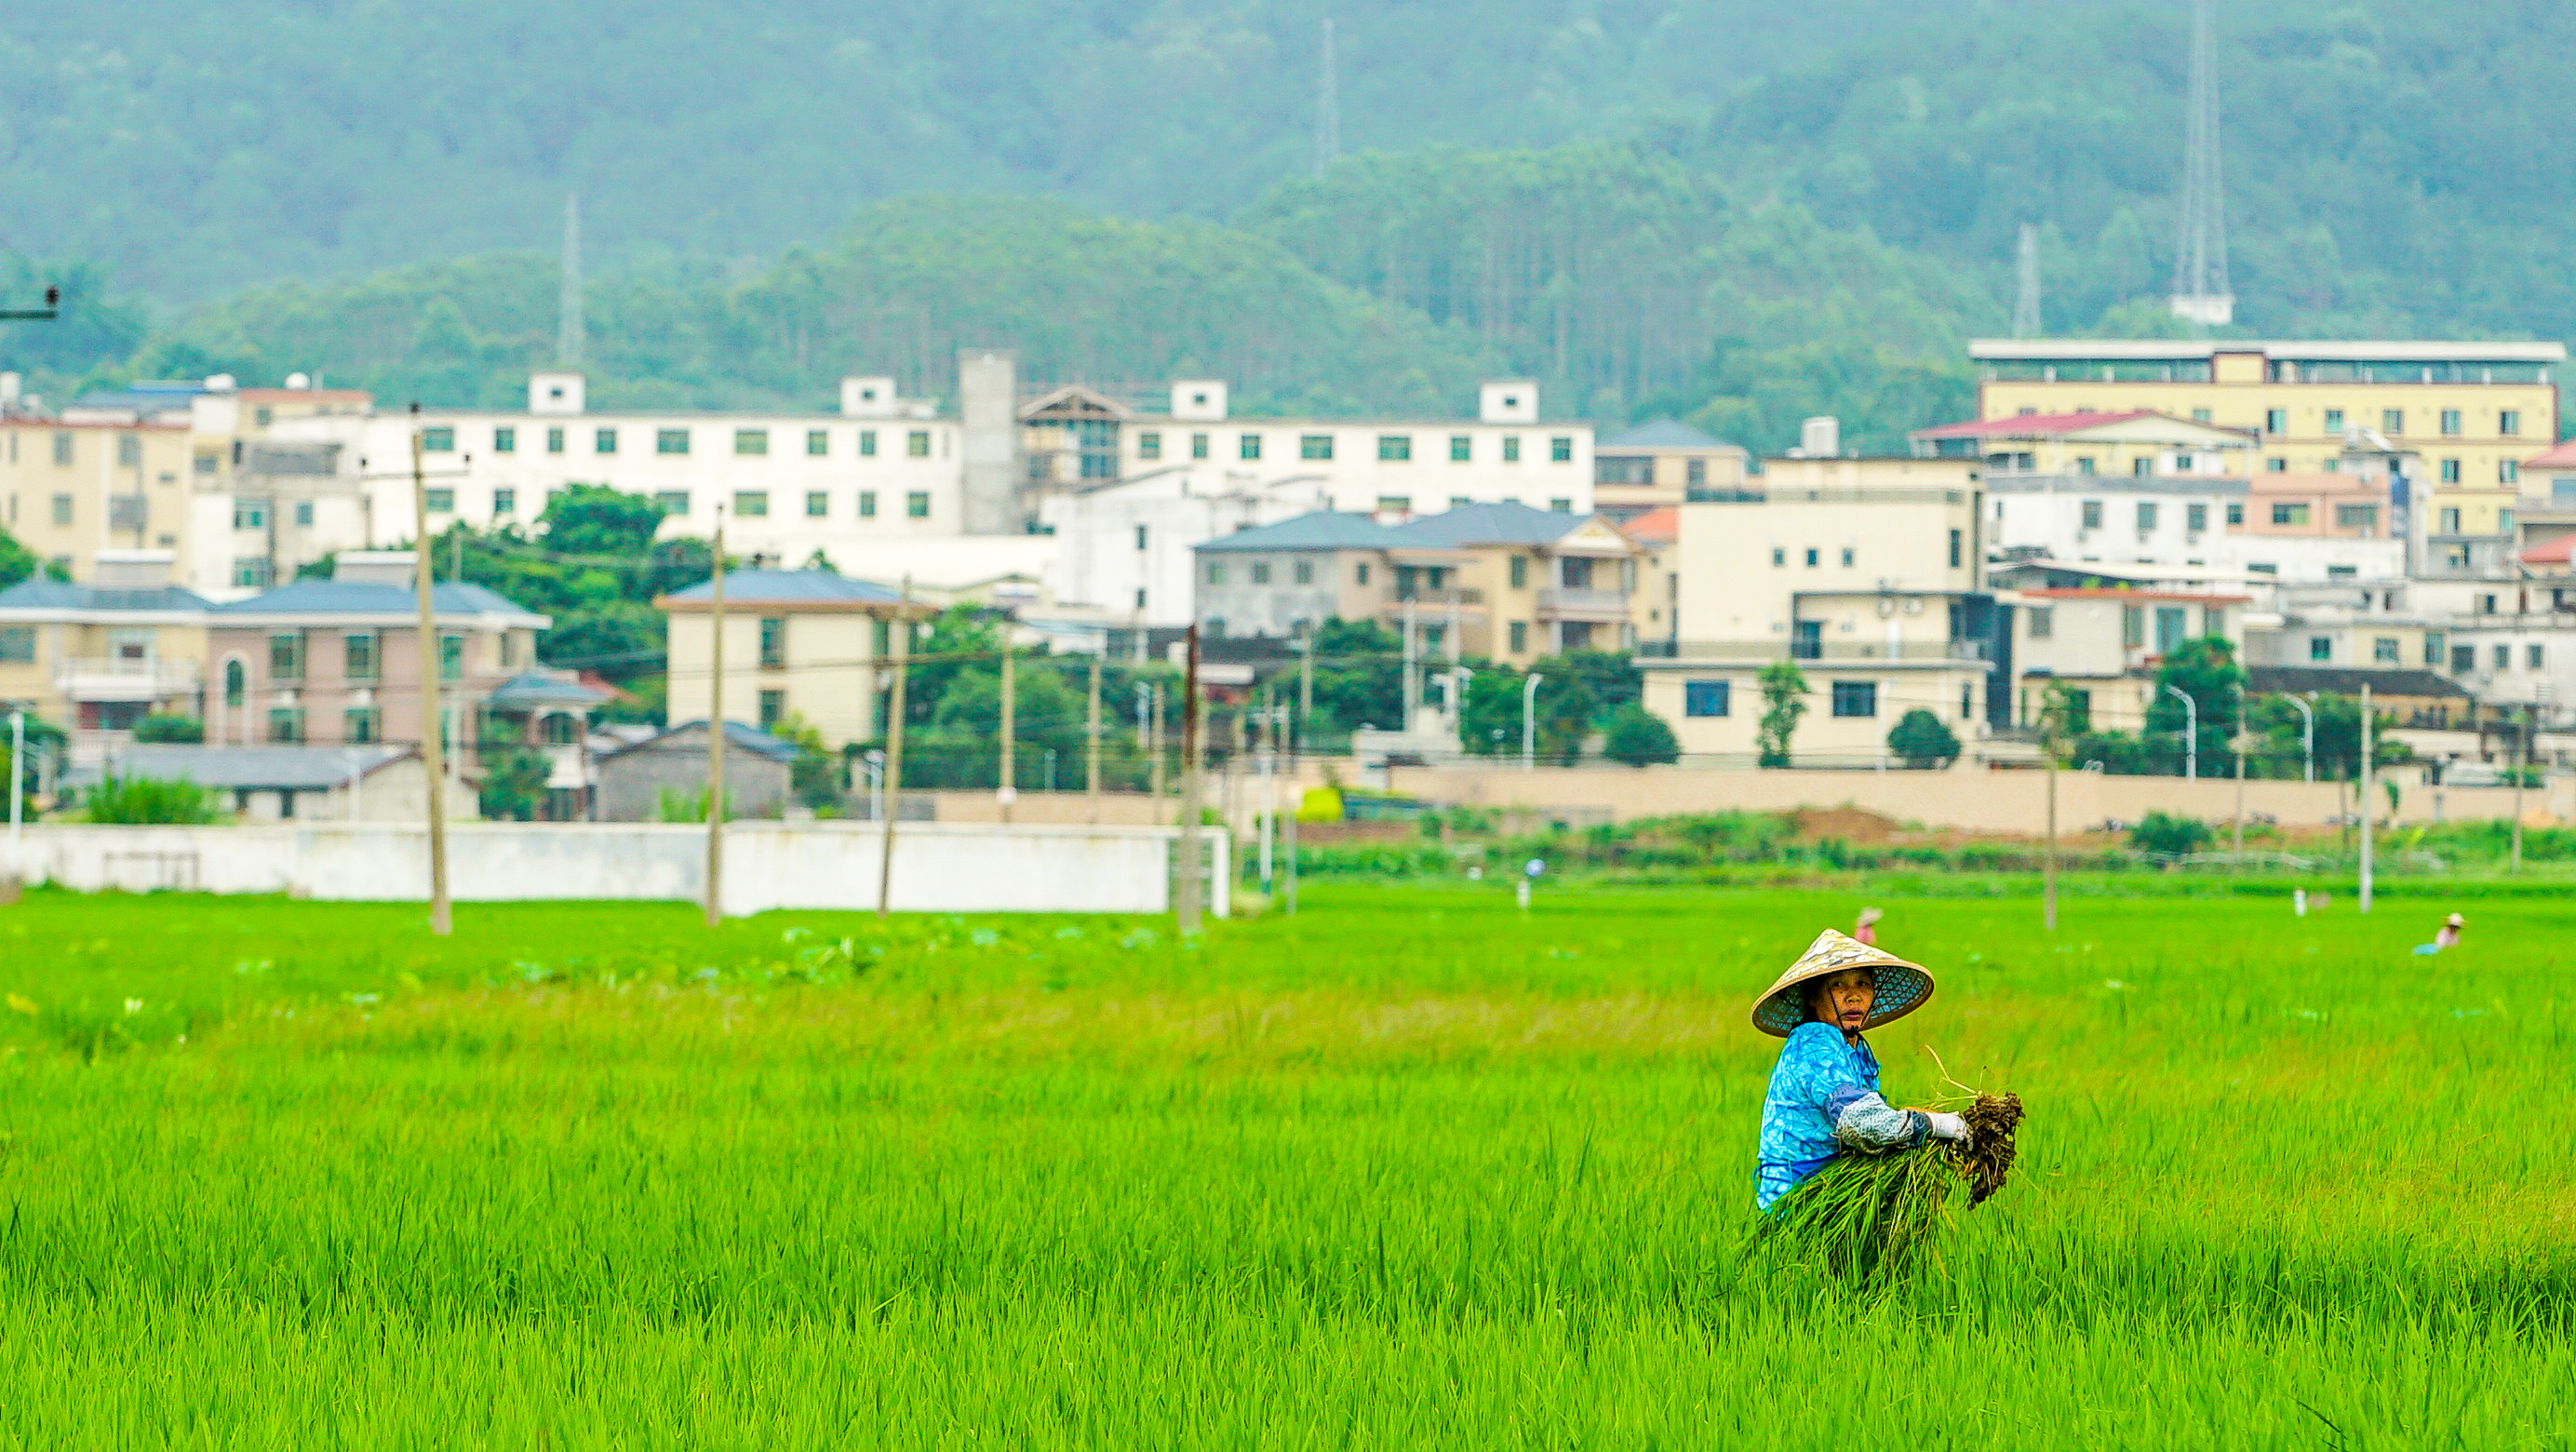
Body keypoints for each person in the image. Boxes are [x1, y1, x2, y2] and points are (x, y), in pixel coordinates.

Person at [1753, 928, 1968, 1213]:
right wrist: (1937, 1126)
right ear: (1813, 998)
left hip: (1833, 1192)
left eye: (1863, 985)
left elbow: (1876, 1121)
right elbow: (1862, 1122)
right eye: (1838, 985)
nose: (1853, 997)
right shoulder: (1814, 1044)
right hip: (1798, 1198)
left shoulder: (1855, 1048)